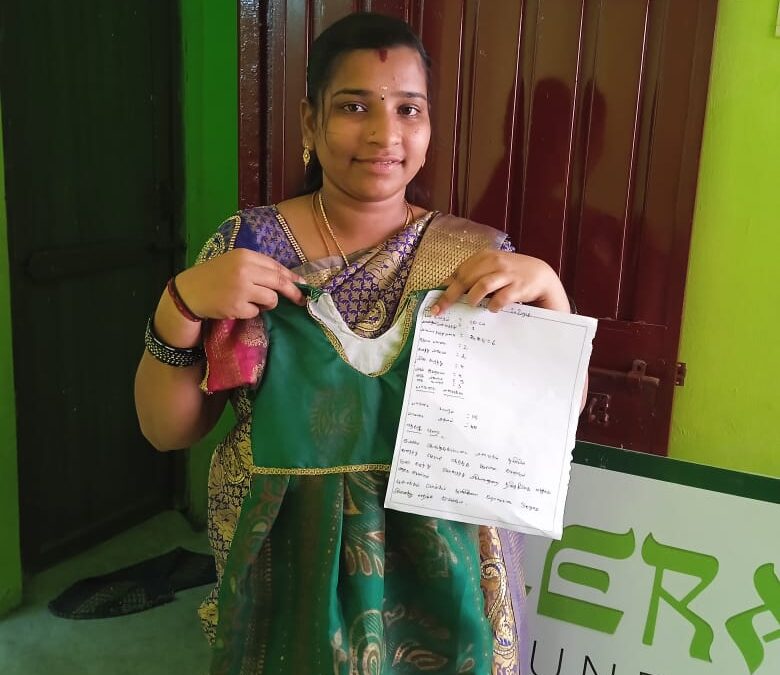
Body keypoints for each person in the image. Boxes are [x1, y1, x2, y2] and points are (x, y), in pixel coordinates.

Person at [135, 12, 571, 675]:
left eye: (407, 108)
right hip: (283, 551)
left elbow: (538, 433)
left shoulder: (475, 259)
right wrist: (181, 305)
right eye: (354, 106)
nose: (384, 133)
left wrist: (549, 293)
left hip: (445, 566)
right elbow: (169, 431)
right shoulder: (246, 250)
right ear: (309, 123)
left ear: (428, 127)